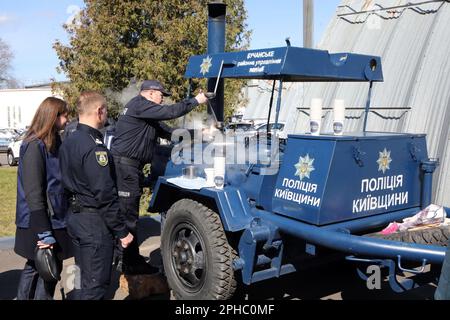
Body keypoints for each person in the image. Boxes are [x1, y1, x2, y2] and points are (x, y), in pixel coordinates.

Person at [110, 80, 208, 274]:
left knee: (128, 215)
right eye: (161, 94)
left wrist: (200, 133)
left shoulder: (146, 114)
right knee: (129, 217)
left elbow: (170, 133)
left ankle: (123, 259)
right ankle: (129, 264)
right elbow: (172, 112)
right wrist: (197, 100)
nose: (163, 98)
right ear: (150, 93)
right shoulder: (139, 104)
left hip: (130, 168)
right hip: (125, 168)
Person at [59, 91, 133, 299]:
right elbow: (104, 194)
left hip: (75, 218)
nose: (107, 115)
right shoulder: (94, 147)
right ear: (99, 111)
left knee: (79, 278)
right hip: (93, 223)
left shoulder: (69, 140)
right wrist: (121, 231)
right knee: (95, 286)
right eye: (106, 110)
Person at [14, 97, 72, 300]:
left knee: (40, 266)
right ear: (52, 117)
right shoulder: (34, 146)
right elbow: (33, 191)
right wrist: (44, 231)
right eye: (64, 115)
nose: (67, 120)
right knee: (44, 267)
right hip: (39, 219)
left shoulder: (54, 142)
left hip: (55, 216)